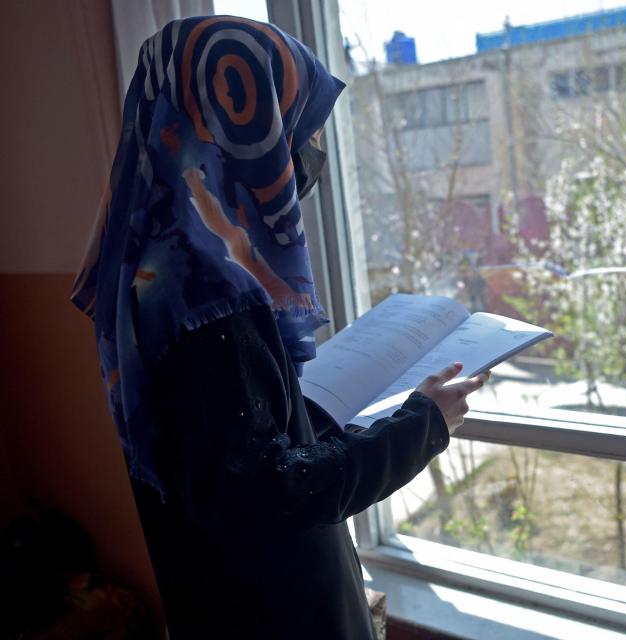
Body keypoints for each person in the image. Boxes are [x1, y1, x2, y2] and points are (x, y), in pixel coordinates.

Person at [70, 16, 487, 639]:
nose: (303, 154)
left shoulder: (147, 264)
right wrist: (422, 424)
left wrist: (318, 418)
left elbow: (223, 459)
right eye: (293, 129)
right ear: (242, 129)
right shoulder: (207, 294)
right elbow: (270, 495)